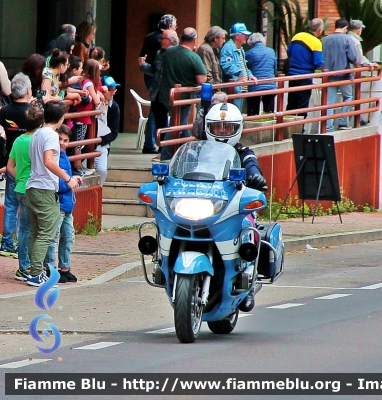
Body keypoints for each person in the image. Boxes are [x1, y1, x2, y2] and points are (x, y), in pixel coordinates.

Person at [205, 101, 266, 312]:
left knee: (251, 232)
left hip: (234, 208)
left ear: (237, 129)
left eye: (227, 127)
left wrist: (255, 177)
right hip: (206, 206)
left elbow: (251, 165)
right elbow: (183, 167)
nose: (222, 132)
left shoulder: (244, 152)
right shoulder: (200, 151)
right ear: (209, 128)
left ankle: (249, 285)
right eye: (217, 127)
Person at [25, 101, 81, 287]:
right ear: (62, 117)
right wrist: (68, 178)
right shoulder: (50, 135)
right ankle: (37, 273)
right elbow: (49, 161)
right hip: (44, 188)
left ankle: (33, 270)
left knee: (35, 231)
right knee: (46, 233)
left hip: (32, 186)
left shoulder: (37, 133)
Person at [7, 107, 44, 281]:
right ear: (41, 124)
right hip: (33, 189)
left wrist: (21, 179)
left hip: (20, 188)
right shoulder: (37, 142)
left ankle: (23, 265)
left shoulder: (18, 141)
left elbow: (10, 167)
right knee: (33, 230)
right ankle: (27, 266)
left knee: (23, 229)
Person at [159, 27, 207, 161]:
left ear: (180, 37)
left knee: (181, 122)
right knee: (176, 125)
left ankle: (189, 148)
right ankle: (166, 156)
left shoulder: (168, 52)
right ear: (195, 40)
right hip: (183, 98)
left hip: (166, 95)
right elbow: (201, 79)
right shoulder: (193, 57)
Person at [0, 73, 32, 258]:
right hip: (28, 164)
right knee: (25, 206)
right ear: (28, 90)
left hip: (10, 161)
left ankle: (6, 242)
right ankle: (22, 245)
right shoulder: (33, 112)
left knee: (10, 204)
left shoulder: (4, 111)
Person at [43, 124, 78, 283]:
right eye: (60, 140)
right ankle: (49, 268)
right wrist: (70, 182)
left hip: (68, 204)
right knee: (53, 237)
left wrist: (75, 181)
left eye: (66, 140)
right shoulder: (53, 157)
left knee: (68, 237)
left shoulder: (64, 156)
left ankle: (65, 267)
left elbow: (66, 178)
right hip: (58, 203)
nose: (63, 143)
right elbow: (56, 182)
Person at [139, 14, 177, 155]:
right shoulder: (162, 51)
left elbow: (143, 58)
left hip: (157, 82)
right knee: (162, 114)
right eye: (175, 24)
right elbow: (157, 69)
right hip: (160, 83)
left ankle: (158, 145)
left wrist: (143, 65)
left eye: (163, 39)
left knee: (159, 113)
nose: (161, 41)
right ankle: (160, 145)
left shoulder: (150, 38)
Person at [286, 18, 324, 123]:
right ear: (320, 30)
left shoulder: (297, 36)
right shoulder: (316, 42)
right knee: (302, 105)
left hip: (292, 75)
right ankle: (299, 130)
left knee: (291, 103)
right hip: (305, 76)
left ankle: (287, 129)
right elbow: (318, 62)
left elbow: (289, 52)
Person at [322, 19, 358, 132]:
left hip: (328, 75)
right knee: (348, 97)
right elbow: (353, 57)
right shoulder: (347, 39)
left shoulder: (325, 40)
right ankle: (343, 122)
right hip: (344, 75)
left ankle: (328, 127)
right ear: (345, 27)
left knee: (329, 102)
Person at [220, 22, 257, 112]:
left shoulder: (240, 49)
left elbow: (244, 66)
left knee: (238, 115)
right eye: (244, 34)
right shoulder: (228, 48)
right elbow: (226, 66)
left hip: (240, 88)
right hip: (233, 89)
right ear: (237, 36)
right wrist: (239, 73)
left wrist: (250, 75)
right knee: (232, 115)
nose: (246, 36)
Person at [72, 59, 101, 175]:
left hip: (81, 116)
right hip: (82, 117)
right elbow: (97, 100)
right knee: (79, 143)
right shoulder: (89, 83)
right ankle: (78, 167)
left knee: (79, 142)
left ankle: (78, 166)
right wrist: (97, 93)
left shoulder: (83, 80)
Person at [347, 20, 379, 126]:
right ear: (358, 30)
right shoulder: (355, 41)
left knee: (348, 97)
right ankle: (352, 120)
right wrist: (369, 64)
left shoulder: (345, 38)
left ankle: (355, 119)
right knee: (351, 96)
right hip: (350, 72)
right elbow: (358, 58)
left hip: (341, 71)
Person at [94, 76, 121, 186]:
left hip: (102, 145)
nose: (113, 92)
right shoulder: (94, 102)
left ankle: (98, 192)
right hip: (87, 144)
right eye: (110, 89)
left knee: (102, 170)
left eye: (114, 89)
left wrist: (100, 140)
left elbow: (114, 132)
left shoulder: (114, 107)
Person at [246, 33, 277, 115]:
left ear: (251, 43)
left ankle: (253, 126)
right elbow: (275, 68)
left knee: (253, 113)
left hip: (254, 85)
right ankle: (269, 127)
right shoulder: (271, 51)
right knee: (269, 113)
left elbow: (246, 69)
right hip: (270, 85)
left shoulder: (249, 53)